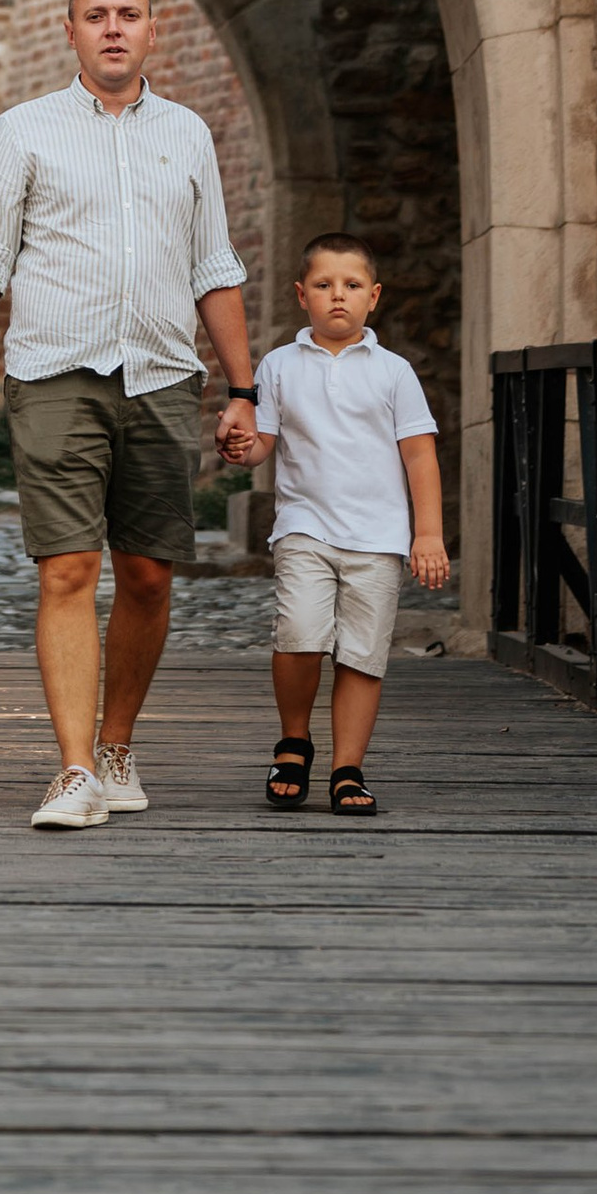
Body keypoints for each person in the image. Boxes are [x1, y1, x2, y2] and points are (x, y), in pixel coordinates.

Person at [0, 0, 254, 830]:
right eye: (96, 16)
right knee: (70, 568)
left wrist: (244, 390)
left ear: (154, 30)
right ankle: (74, 768)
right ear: (69, 30)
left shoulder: (189, 134)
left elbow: (214, 267)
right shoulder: (26, 129)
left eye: (129, 15)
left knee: (150, 576)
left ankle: (116, 745)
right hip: (54, 372)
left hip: (161, 373)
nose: (113, 28)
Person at [230, 232, 448, 820]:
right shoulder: (278, 365)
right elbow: (264, 444)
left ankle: (347, 768)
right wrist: (243, 448)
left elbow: (419, 454)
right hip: (305, 527)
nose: (338, 297)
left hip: (378, 539)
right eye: (324, 286)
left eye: (351, 286)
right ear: (302, 295)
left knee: (361, 655)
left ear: (373, 297)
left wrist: (426, 533)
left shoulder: (394, 372)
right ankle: (294, 741)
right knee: (299, 633)